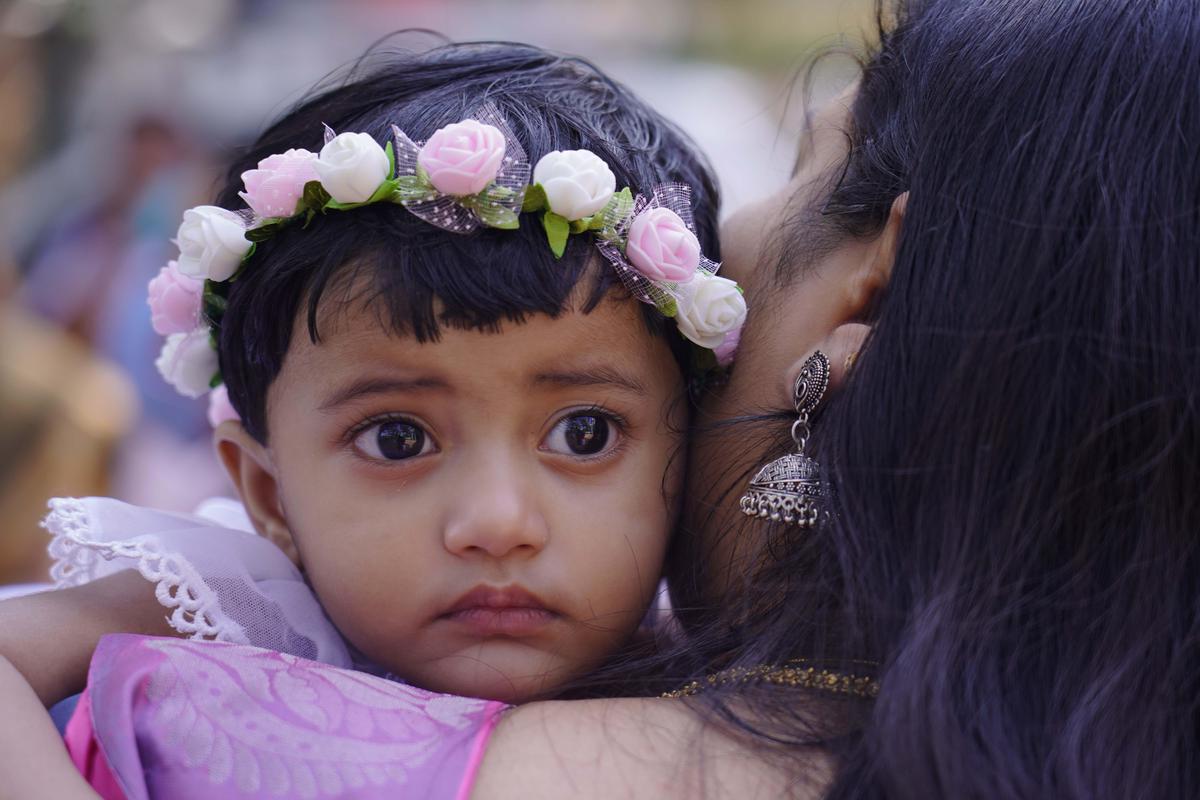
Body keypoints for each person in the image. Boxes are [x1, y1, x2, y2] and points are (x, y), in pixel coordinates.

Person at [3, 0, 1198, 796]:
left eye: (584, 431)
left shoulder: (202, 724)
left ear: (870, 289)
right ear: (262, 488)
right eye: (398, 434)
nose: (500, 516)